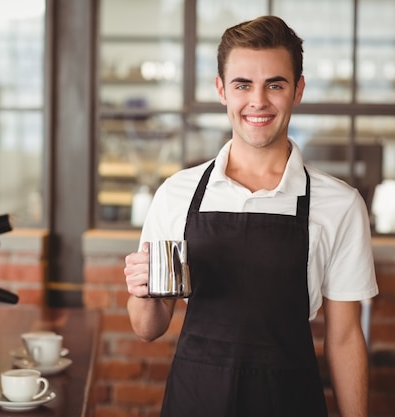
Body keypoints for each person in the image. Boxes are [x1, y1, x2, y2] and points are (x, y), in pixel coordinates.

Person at [123, 15, 379, 417]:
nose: (258, 101)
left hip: (290, 402)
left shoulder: (340, 204)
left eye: (274, 84)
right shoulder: (177, 194)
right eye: (243, 85)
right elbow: (147, 328)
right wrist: (142, 291)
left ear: (298, 90)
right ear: (222, 90)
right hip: (196, 400)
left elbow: (345, 337)